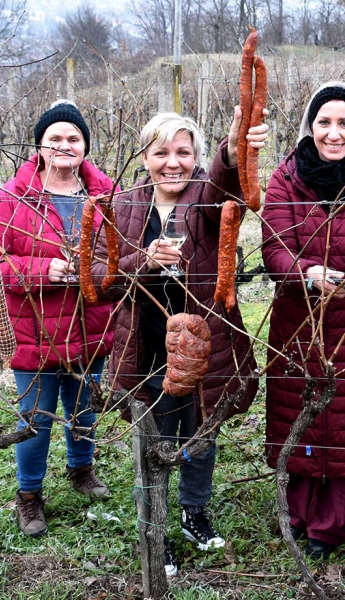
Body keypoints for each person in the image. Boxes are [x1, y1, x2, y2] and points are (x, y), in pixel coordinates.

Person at [92, 111, 263, 574]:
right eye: (161, 152)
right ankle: (157, 527)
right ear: (144, 156)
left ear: (197, 158)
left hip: (203, 347)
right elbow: (98, 278)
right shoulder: (123, 205)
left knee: (201, 434)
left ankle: (194, 512)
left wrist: (232, 150)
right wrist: (141, 259)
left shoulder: (206, 198)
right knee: (154, 440)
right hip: (144, 347)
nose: (173, 163)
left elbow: (228, 188)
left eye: (183, 152)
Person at [261, 82, 345, 559]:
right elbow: (274, 248)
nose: (334, 133)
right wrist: (307, 272)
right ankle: (298, 513)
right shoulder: (284, 179)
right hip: (297, 320)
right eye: (325, 122)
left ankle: (331, 525)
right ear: (311, 126)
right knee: (296, 414)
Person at [0, 99, 114, 537]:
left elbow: (122, 253)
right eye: (55, 138)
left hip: (91, 327)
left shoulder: (106, 194)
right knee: (34, 421)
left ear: (85, 146)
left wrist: (97, 269)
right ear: (39, 145)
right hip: (33, 332)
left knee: (84, 411)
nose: (64, 145)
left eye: (73, 138)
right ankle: (29, 495)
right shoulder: (10, 199)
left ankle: (81, 470)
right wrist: (40, 270)